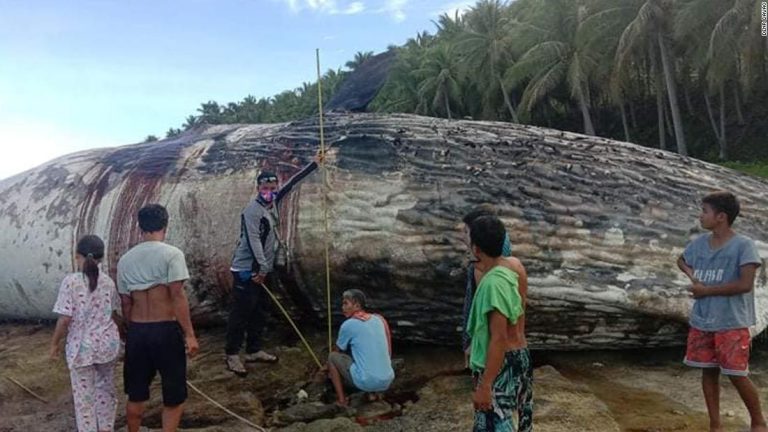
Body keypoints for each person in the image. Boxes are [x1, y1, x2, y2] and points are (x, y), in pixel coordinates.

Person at [226, 150, 324, 376]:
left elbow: (290, 184)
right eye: (265, 189)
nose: (270, 193)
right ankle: (232, 354)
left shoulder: (272, 203)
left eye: (272, 189)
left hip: (262, 268)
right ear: (258, 189)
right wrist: (261, 269)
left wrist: (313, 165)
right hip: (246, 269)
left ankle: (254, 349)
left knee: (260, 310)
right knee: (242, 312)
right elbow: (253, 241)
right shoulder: (252, 211)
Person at [677, 191, 767, 432]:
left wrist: (707, 291)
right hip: (704, 321)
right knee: (708, 372)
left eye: (705, 211)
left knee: (737, 374)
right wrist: (693, 276)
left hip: (731, 321)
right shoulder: (699, 244)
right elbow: (681, 260)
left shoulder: (743, 246)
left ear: (721, 217)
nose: (700, 215)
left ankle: (758, 422)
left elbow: (745, 285)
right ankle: (715, 425)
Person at [118, 204, 199, 432]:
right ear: (165, 225)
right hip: (164, 329)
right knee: (173, 395)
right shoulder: (172, 254)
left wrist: (128, 330)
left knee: (136, 393)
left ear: (140, 226)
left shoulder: (125, 260)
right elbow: (177, 295)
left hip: (138, 331)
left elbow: (126, 302)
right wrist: (190, 335)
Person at [50, 235, 121, 432]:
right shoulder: (108, 282)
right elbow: (113, 313)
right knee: (106, 390)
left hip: (82, 348)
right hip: (107, 345)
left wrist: (55, 343)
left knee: (84, 399)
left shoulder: (71, 282)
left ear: (77, 256)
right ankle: (106, 428)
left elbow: (65, 318)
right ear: (101, 258)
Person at [466, 216, 525, 432]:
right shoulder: (513, 268)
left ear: (476, 249)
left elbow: (499, 337)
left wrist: (486, 385)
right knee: (499, 420)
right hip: (512, 359)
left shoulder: (493, 283)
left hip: (498, 366)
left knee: (498, 423)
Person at [325, 289, 394, 407]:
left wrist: (325, 368)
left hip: (366, 381)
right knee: (366, 354)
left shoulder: (348, 324)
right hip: (387, 379)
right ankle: (374, 394)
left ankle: (342, 401)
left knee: (332, 357)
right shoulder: (379, 319)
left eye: (346, 303)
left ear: (357, 305)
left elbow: (337, 350)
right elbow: (388, 349)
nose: (343, 307)